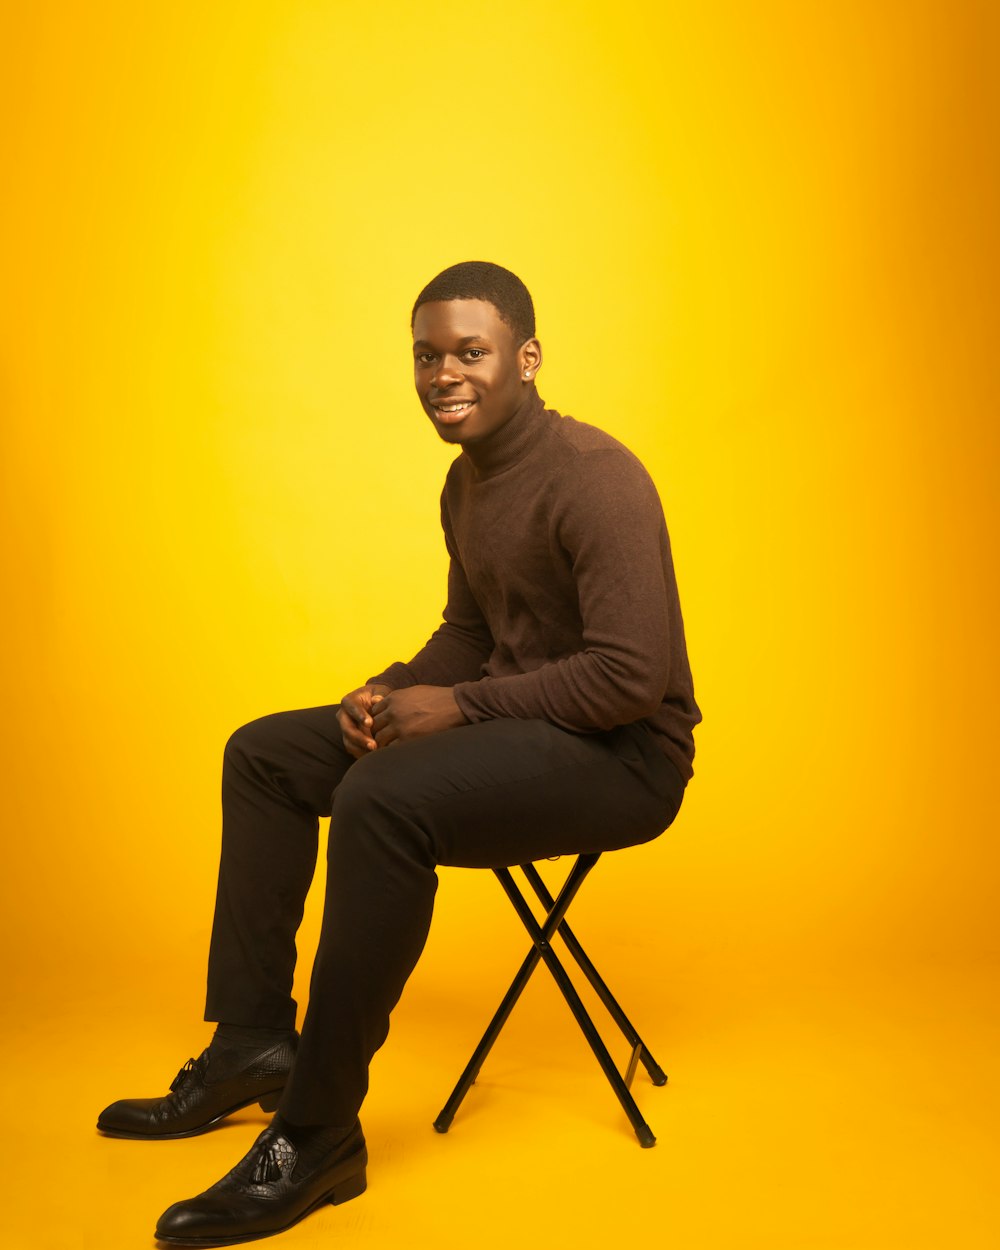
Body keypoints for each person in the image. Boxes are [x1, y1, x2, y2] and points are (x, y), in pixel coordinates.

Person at [97, 261, 701, 1246]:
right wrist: (386, 690)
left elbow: (629, 677)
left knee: (383, 797)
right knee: (264, 754)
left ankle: (319, 1129)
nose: (442, 372)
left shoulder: (596, 477)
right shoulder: (467, 485)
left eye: (470, 350)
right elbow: (470, 631)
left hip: (623, 758)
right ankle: (251, 1040)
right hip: (518, 729)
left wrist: (455, 706)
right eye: (427, 354)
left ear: (526, 358)